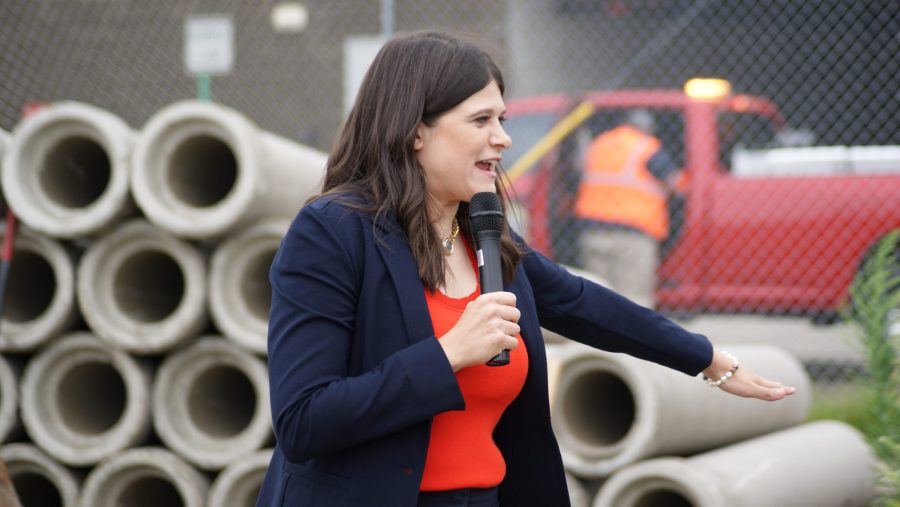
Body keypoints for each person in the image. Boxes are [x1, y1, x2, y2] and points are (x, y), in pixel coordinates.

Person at [256, 30, 795, 507]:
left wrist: (709, 360)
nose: (504, 138)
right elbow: (305, 419)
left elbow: (586, 305)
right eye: (481, 120)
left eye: (503, 119)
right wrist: (449, 355)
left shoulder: (485, 234)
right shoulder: (331, 233)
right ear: (415, 131)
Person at [573, 109, 683, 307]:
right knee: (634, 301)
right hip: (632, 236)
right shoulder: (646, 147)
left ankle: (596, 337)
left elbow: (578, 171)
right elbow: (677, 184)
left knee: (597, 299)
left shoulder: (600, 143)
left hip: (593, 232)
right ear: (647, 128)